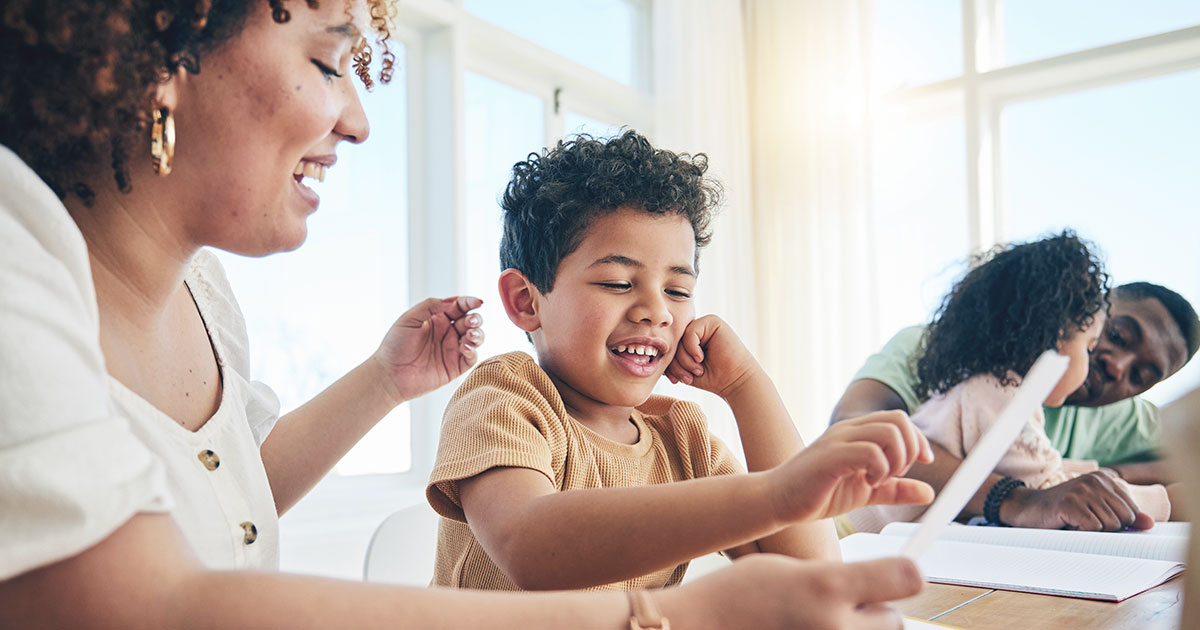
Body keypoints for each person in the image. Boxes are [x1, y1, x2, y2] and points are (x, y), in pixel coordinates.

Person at [0, 1, 927, 628]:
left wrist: (381, 383)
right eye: (327, 60)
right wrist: (670, 613)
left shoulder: (206, 299)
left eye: (678, 288)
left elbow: (220, 493)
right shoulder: (15, 260)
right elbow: (153, 605)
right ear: (158, 40)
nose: (358, 119)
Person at [425, 131, 935, 591]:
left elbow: (810, 573)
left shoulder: (681, 437)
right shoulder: (503, 399)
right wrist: (774, 493)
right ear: (525, 301)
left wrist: (745, 384)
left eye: (677, 289)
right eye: (618, 283)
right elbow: (531, 547)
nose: (657, 311)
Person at [845, 232, 1171, 534]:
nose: (1113, 367)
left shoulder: (978, 380)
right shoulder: (999, 396)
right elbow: (1048, 495)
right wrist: (1161, 501)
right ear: (1056, 337)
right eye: (1094, 343)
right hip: (852, 542)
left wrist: (1110, 476)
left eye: (1141, 376)